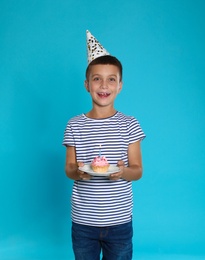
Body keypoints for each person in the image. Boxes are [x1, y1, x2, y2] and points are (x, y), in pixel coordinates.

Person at [63, 30, 145, 260]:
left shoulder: (130, 124)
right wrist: (78, 171)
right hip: (83, 221)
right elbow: (69, 169)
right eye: (97, 78)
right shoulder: (75, 125)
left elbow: (137, 170)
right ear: (87, 84)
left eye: (111, 79)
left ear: (120, 85)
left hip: (119, 221)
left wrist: (123, 172)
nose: (104, 84)